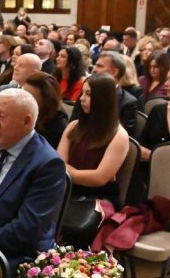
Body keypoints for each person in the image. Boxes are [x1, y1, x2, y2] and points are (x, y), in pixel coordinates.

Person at [0, 88, 67, 270]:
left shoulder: (48, 164)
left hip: (8, 250)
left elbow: (27, 228)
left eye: (1, 116)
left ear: (26, 121)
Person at [57, 74, 130, 248]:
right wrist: (69, 172)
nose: (81, 99)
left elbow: (99, 178)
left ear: (103, 99)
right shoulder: (74, 126)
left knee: (76, 229)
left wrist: (70, 172)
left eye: (88, 94)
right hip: (69, 190)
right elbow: (58, 164)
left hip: (98, 197)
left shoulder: (118, 135)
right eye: (82, 93)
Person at [71, 51, 139, 137]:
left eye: (100, 66)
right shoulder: (86, 89)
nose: (94, 69)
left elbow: (127, 138)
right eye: (95, 65)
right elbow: (74, 123)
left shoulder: (128, 103)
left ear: (114, 72)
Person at [23, 71, 68, 149]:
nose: (22, 100)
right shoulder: (22, 112)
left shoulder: (58, 127)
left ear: (47, 100)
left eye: (29, 97)